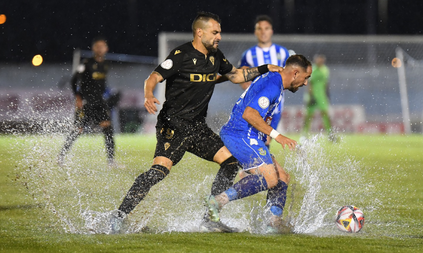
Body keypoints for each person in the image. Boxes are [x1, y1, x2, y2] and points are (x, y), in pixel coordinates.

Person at [109, 12, 283, 233]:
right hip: (174, 125)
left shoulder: (215, 56)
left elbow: (237, 75)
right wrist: (148, 94)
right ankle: (119, 216)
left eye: (219, 32)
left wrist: (264, 68)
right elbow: (153, 76)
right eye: (215, 32)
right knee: (158, 172)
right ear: (200, 32)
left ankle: (210, 217)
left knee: (230, 163)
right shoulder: (181, 54)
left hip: (198, 127)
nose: (219, 36)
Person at [206, 55, 312, 234]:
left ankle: (273, 223)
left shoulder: (276, 81)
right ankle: (217, 201)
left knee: (282, 177)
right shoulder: (273, 85)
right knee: (270, 179)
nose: (306, 83)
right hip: (239, 135)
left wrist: (265, 134)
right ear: (295, 73)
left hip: (249, 135)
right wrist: (278, 135)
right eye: (306, 77)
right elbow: (249, 114)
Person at [57, 36, 119, 168]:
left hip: (99, 102)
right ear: (93, 48)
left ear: (106, 49)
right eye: (98, 46)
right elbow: (74, 81)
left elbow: (101, 84)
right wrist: (78, 98)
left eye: (102, 46)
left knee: (107, 127)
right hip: (86, 101)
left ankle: (111, 161)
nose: (100, 49)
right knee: (77, 129)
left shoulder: (106, 64)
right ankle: (61, 157)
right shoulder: (86, 63)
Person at [239, 15, 290, 147]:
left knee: (266, 139)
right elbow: (241, 77)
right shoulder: (248, 54)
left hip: (276, 106)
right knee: (258, 139)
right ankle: (254, 166)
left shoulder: (283, 52)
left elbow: (289, 76)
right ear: (255, 32)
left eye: (266, 28)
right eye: (259, 29)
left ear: (271, 31)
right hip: (256, 105)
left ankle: (253, 166)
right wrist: (252, 90)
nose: (263, 32)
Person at [302, 54, 334, 141]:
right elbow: (309, 83)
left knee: (325, 114)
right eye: (319, 59)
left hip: (322, 96)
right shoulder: (313, 69)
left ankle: (330, 134)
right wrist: (310, 95)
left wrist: (327, 94)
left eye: (321, 59)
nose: (320, 61)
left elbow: (326, 83)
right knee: (308, 115)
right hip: (313, 95)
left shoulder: (325, 70)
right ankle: (304, 134)